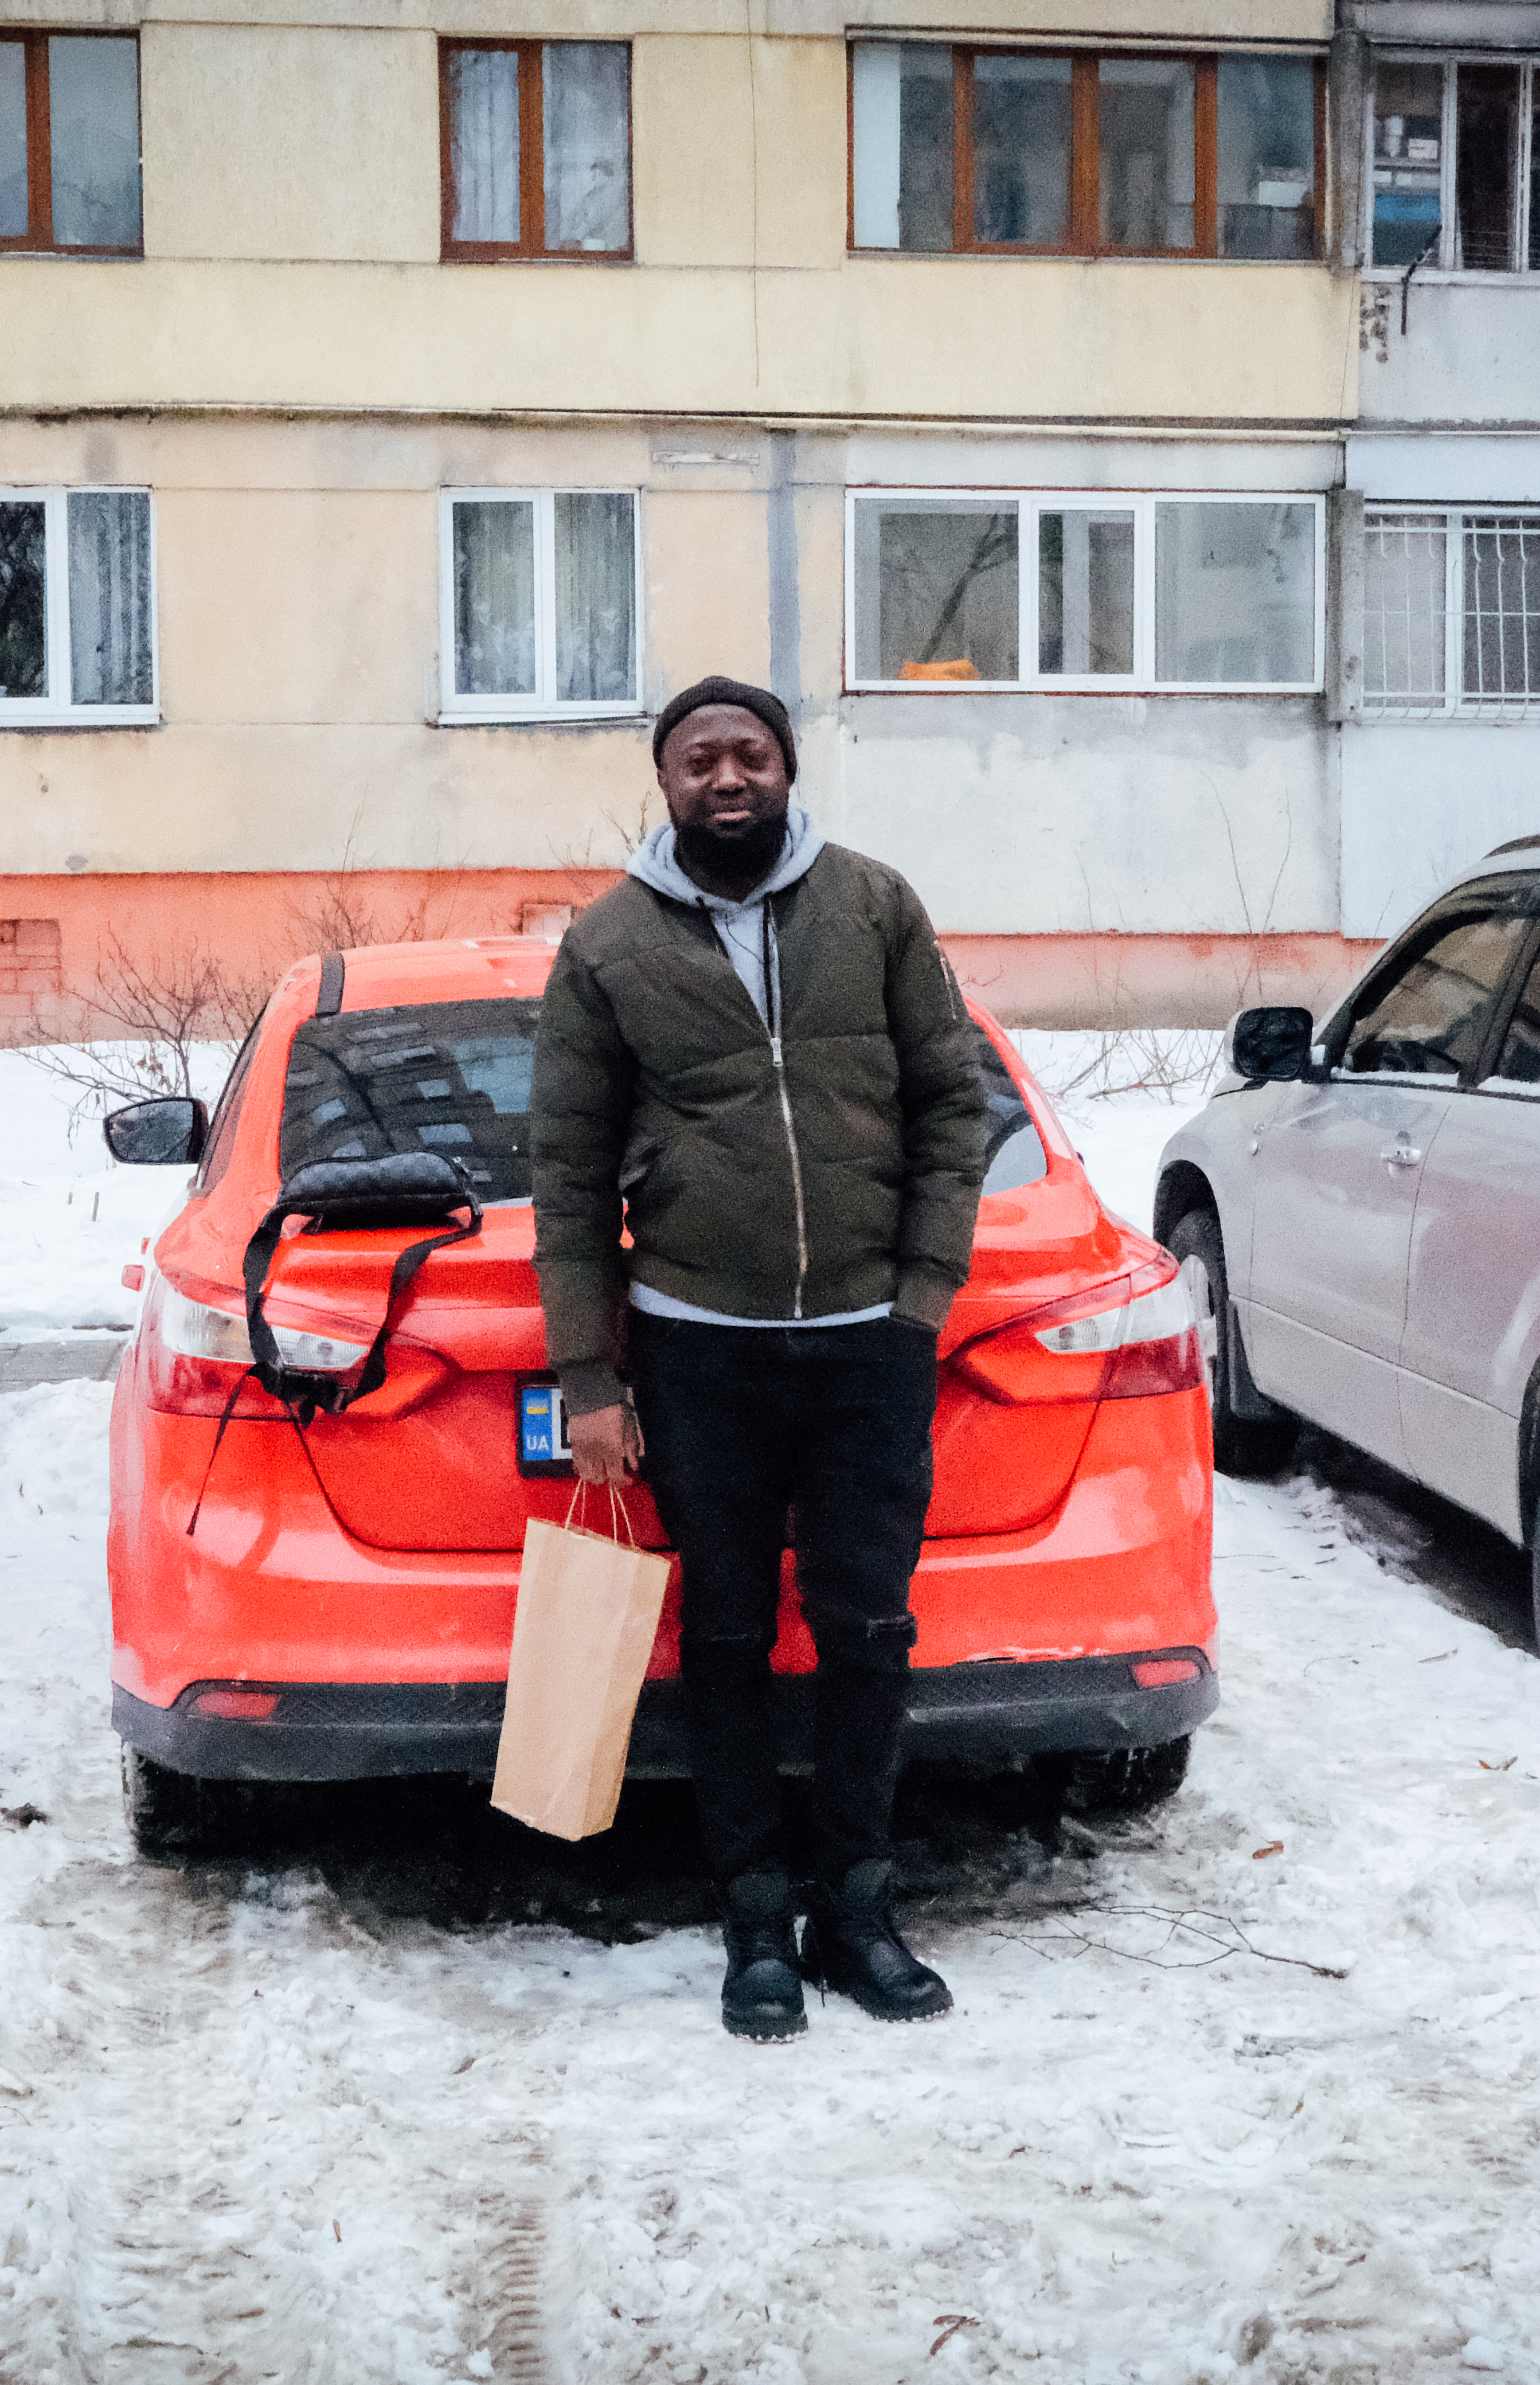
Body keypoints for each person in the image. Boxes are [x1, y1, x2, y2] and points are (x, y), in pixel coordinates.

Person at [529, 674, 991, 2043]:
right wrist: (592, 1377)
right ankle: (754, 1922)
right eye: (697, 762)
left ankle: (856, 1905)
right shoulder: (608, 945)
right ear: (662, 785)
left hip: (867, 1347)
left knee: (865, 1630)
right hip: (698, 1349)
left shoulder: (876, 906)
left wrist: (920, 1295)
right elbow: (564, 1173)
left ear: (787, 768)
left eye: (750, 756)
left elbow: (949, 1105)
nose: (726, 780)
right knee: (725, 1635)